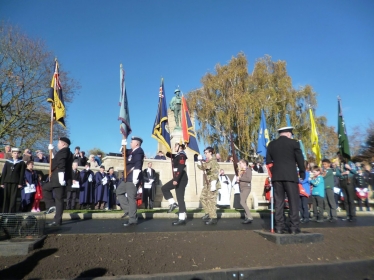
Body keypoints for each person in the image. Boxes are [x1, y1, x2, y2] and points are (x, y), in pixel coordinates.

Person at [266, 126, 305, 234]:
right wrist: (302, 171)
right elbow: (300, 159)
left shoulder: (272, 144)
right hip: (290, 176)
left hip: (277, 177)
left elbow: (268, 161)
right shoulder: (294, 143)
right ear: (288, 133)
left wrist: (275, 171)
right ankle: (293, 227)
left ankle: (279, 226)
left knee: (279, 202)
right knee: (293, 202)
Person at [43, 137, 73, 226]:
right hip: (60, 178)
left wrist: (61, 176)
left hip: (58, 178)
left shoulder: (64, 151)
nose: (57, 144)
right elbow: (56, 160)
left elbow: (61, 164)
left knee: (45, 188)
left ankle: (52, 205)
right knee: (59, 199)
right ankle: (57, 220)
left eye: (59, 143)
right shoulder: (67, 152)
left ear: (63, 144)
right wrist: (51, 151)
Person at [116, 136, 145, 226]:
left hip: (132, 178)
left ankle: (132, 220)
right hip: (126, 178)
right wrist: (123, 143)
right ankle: (129, 211)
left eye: (131, 142)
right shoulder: (132, 151)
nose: (130, 143)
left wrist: (135, 179)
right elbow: (123, 151)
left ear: (136, 143)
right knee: (119, 192)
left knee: (131, 198)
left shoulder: (139, 151)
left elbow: (138, 164)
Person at [161, 142, 189, 225]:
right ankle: (173, 204)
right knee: (164, 188)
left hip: (181, 178)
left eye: (175, 146)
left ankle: (182, 219)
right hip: (178, 177)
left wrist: (176, 179)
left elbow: (180, 167)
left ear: (179, 147)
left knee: (180, 198)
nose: (174, 147)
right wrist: (168, 152)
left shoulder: (182, 155)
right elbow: (172, 156)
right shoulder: (178, 155)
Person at [197, 147, 220, 225]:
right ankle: (208, 213)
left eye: (206, 152)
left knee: (211, 201)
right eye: (204, 152)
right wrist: (199, 161)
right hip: (207, 184)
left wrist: (213, 183)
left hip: (212, 183)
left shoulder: (214, 161)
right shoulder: (208, 161)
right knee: (203, 198)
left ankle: (213, 218)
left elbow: (216, 172)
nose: (205, 154)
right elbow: (203, 167)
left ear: (210, 153)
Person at [1, 148, 26, 213]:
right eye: (14, 153)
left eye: (17, 153)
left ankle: (11, 212)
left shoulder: (21, 163)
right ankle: (4, 212)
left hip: (15, 182)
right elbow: (4, 172)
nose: (16, 154)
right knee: (6, 197)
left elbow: (22, 173)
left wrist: (20, 183)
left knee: (13, 198)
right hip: (7, 181)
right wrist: (2, 182)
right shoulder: (8, 161)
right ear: (12, 154)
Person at [337, 152, 357, 221]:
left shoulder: (350, 163)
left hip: (349, 181)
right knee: (345, 199)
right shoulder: (340, 164)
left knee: (350, 199)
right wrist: (343, 173)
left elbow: (355, 171)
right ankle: (348, 215)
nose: (339, 157)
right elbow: (337, 174)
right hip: (342, 181)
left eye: (340, 156)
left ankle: (353, 215)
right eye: (338, 156)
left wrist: (350, 168)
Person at [237, 159, 253, 224]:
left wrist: (240, 178)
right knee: (244, 202)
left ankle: (250, 217)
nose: (239, 165)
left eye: (240, 163)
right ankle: (247, 217)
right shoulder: (241, 171)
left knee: (242, 202)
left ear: (244, 163)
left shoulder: (248, 170)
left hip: (246, 188)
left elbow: (249, 179)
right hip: (242, 188)